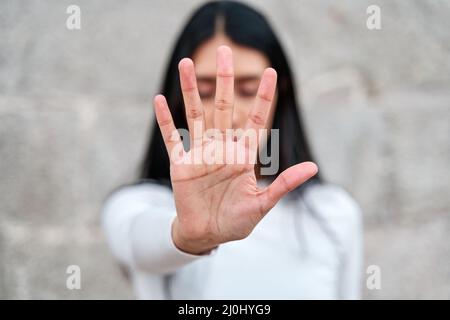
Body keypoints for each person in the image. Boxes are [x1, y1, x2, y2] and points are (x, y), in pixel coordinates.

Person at [102, 0, 363, 299]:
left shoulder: (333, 213)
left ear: (283, 91)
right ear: (179, 97)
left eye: (249, 89)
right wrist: (189, 236)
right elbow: (141, 242)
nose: (232, 112)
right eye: (206, 91)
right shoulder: (138, 207)